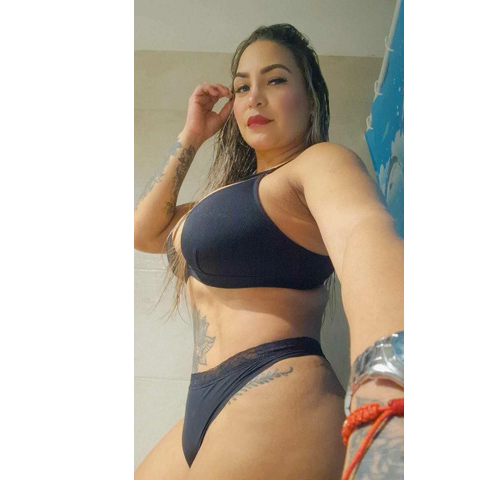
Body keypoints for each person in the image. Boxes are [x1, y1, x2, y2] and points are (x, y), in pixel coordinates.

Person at [134, 23, 403, 480]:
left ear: (311, 99)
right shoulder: (222, 201)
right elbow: (144, 233)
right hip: (206, 407)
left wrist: (387, 389)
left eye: (275, 80)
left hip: (278, 390)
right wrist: (193, 134)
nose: (254, 98)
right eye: (242, 87)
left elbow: (364, 237)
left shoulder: (319, 164)